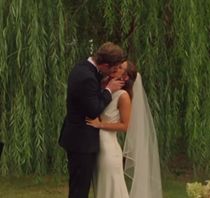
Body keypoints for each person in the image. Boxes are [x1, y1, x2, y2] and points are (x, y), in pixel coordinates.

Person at [59, 42, 127, 198]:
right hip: (81, 141)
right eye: (113, 68)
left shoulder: (84, 67)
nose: (115, 71)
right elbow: (94, 109)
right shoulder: (87, 77)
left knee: (80, 185)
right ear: (103, 64)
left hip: (80, 139)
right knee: (80, 189)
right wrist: (109, 89)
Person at [86, 61, 163, 198]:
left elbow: (125, 125)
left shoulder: (123, 96)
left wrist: (100, 125)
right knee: (101, 189)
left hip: (108, 149)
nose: (115, 67)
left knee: (111, 190)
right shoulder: (105, 88)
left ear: (125, 77)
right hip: (96, 146)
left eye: (120, 67)